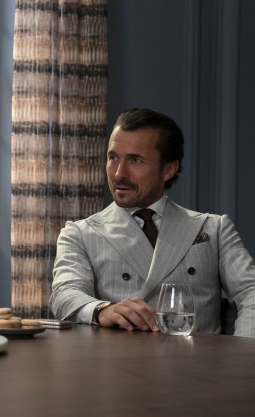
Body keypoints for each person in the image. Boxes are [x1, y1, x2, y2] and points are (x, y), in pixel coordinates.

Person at [49, 108, 255, 337]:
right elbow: (65, 295)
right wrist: (102, 310)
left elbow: (251, 291)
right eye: (113, 157)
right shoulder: (79, 234)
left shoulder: (214, 229)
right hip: (119, 359)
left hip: (199, 358)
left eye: (135, 160)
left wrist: (243, 350)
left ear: (169, 169)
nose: (118, 174)